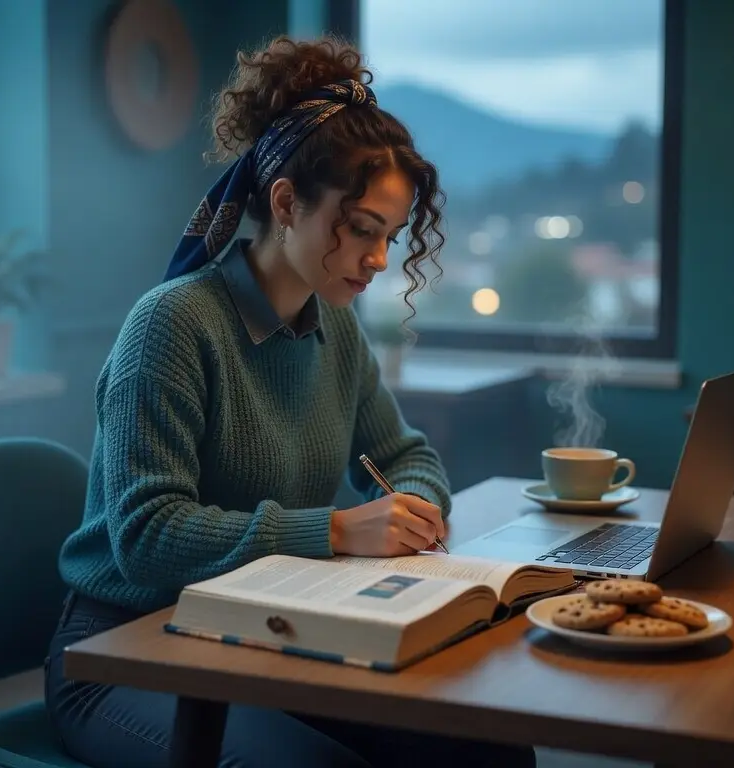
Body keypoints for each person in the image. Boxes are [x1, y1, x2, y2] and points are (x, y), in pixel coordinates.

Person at [44, 34, 537, 768]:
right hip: (126, 649)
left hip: (263, 631)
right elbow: (146, 537)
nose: (378, 259)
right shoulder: (172, 324)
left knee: (487, 751)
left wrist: (411, 507)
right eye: (362, 230)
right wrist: (335, 531)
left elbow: (407, 452)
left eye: (391, 236)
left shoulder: (333, 323)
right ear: (285, 202)